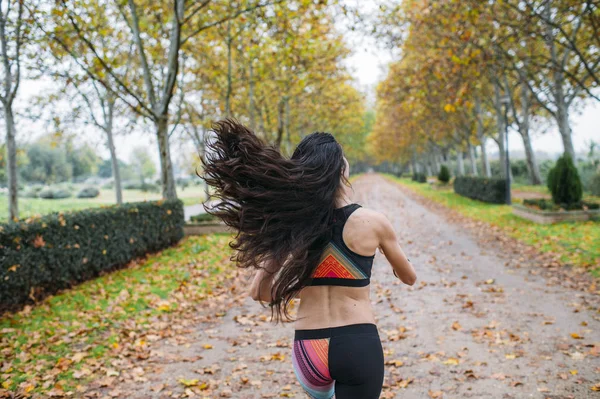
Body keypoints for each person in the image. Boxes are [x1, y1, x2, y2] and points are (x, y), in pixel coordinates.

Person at [201, 119, 417, 399]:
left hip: (308, 350)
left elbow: (260, 292)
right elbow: (409, 277)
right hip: (356, 342)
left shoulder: (295, 226)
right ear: (341, 169)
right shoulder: (373, 222)